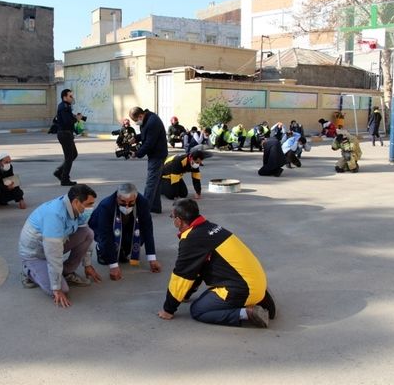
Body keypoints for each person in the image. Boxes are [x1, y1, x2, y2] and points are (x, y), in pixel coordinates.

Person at [157, 198, 276, 327]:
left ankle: (247, 312)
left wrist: (168, 309)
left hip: (242, 289)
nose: (172, 219)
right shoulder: (211, 227)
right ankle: (260, 301)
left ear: (178, 221)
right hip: (259, 283)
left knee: (198, 310)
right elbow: (197, 269)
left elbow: (182, 276)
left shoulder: (192, 239)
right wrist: (186, 294)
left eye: (172, 216)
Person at [18, 184, 102, 308]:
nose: (91, 208)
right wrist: (56, 288)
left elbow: (86, 234)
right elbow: (54, 255)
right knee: (62, 289)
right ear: (76, 202)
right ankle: (28, 270)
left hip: (53, 245)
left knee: (88, 233)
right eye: (89, 204)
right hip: (35, 254)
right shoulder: (55, 216)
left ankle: (67, 272)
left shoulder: (77, 209)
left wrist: (88, 264)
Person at [88, 183, 161, 281]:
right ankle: (100, 249)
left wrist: (152, 259)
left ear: (136, 197)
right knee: (107, 252)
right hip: (104, 229)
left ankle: (123, 250)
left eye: (131, 202)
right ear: (117, 197)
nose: (127, 206)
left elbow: (147, 229)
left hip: (129, 226)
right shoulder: (106, 205)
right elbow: (105, 234)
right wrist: (113, 266)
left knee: (138, 237)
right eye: (123, 202)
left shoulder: (142, 202)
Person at [129, 106, 168, 214]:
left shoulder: (152, 122)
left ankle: (143, 210)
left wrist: (136, 153)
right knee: (155, 182)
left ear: (140, 115)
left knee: (151, 183)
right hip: (157, 154)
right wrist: (136, 138)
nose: (136, 123)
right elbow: (145, 134)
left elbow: (149, 143)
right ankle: (155, 207)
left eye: (136, 120)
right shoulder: (148, 118)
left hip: (157, 155)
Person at [53, 89, 85, 186]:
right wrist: (76, 119)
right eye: (70, 96)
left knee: (73, 154)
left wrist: (79, 117)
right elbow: (67, 122)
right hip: (65, 134)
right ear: (65, 97)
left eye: (72, 96)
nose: (72, 98)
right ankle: (64, 179)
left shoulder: (65, 106)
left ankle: (59, 172)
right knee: (69, 157)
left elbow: (68, 118)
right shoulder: (64, 107)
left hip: (67, 134)